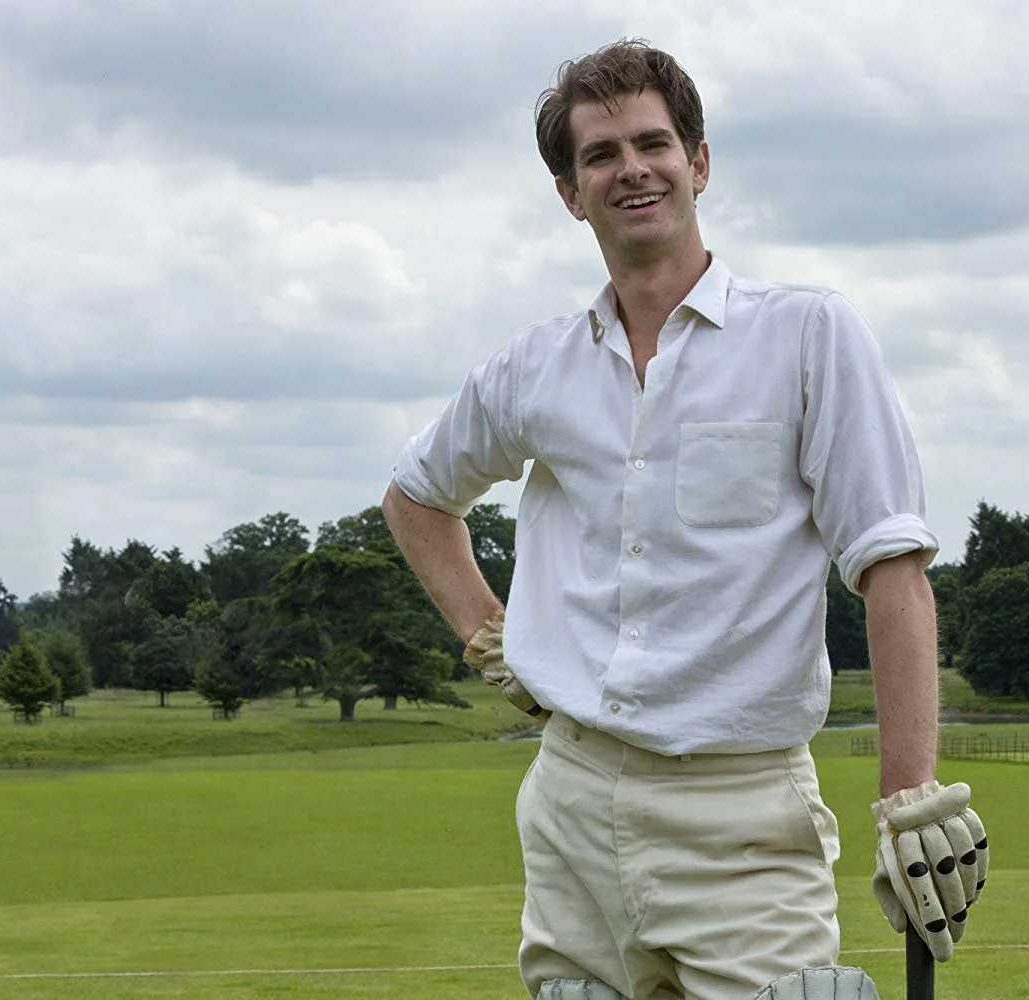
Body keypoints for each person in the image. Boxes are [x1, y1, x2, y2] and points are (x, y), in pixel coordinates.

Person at [383, 38, 987, 1000]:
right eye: (600, 155)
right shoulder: (535, 367)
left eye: (652, 143)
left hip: (741, 813)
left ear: (698, 163)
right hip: (570, 800)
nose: (631, 169)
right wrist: (487, 635)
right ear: (570, 194)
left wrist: (908, 797)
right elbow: (416, 498)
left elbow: (892, 568)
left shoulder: (807, 334)